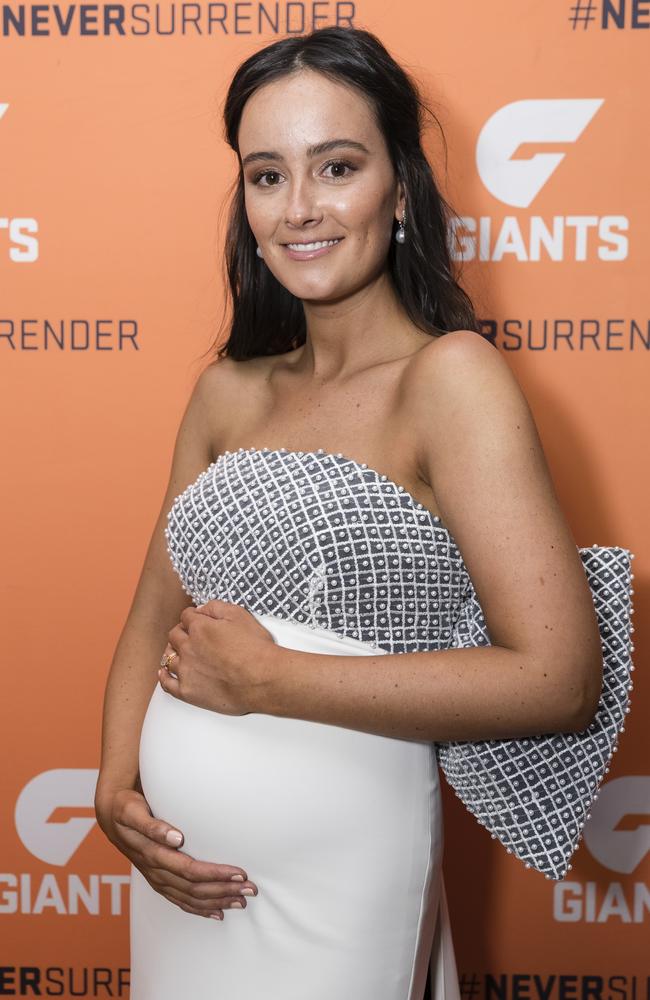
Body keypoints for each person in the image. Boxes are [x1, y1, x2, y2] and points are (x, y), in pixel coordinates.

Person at [94, 25, 603, 1000]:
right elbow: (150, 613)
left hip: (340, 875)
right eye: (266, 176)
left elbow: (555, 678)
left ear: (400, 188)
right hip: (179, 873)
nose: (299, 209)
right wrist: (115, 787)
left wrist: (272, 678)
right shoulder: (227, 392)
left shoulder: (449, 380)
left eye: (335, 166)